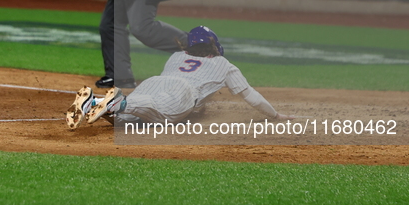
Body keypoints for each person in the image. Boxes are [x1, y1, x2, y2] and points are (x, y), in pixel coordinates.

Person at [66, 26, 294, 129]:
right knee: (161, 114)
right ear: (212, 44)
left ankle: (94, 102)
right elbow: (251, 96)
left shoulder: (176, 56)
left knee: (127, 122)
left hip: (153, 83)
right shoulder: (224, 64)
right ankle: (119, 101)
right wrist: (274, 115)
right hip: (182, 92)